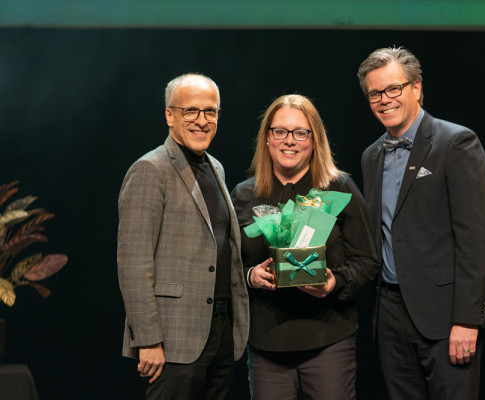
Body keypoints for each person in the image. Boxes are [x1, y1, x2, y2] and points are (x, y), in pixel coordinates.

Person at [357, 47, 485, 399]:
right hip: (390, 314)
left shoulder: (457, 143)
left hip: (447, 315)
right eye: (375, 93)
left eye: (394, 89)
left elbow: (476, 240)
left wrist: (467, 320)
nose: (384, 100)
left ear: (416, 88)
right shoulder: (372, 155)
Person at [231, 94, 379, 400]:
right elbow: (227, 266)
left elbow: (367, 260)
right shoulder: (244, 195)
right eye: (280, 131)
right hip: (267, 345)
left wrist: (335, 281)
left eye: (300, 132)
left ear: (314, 139)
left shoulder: (339, 188)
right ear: (267, 138)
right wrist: (251, 276)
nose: (290, 141)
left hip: (328, 339)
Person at [117, 73, 249, 400]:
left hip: (219, 330)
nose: (201, 121)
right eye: (191, 111)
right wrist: (148, 339)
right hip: (172, 337)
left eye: (210, 112)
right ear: (170, 115)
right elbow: (133, 261)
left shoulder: (215, 168)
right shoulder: (151, 169)